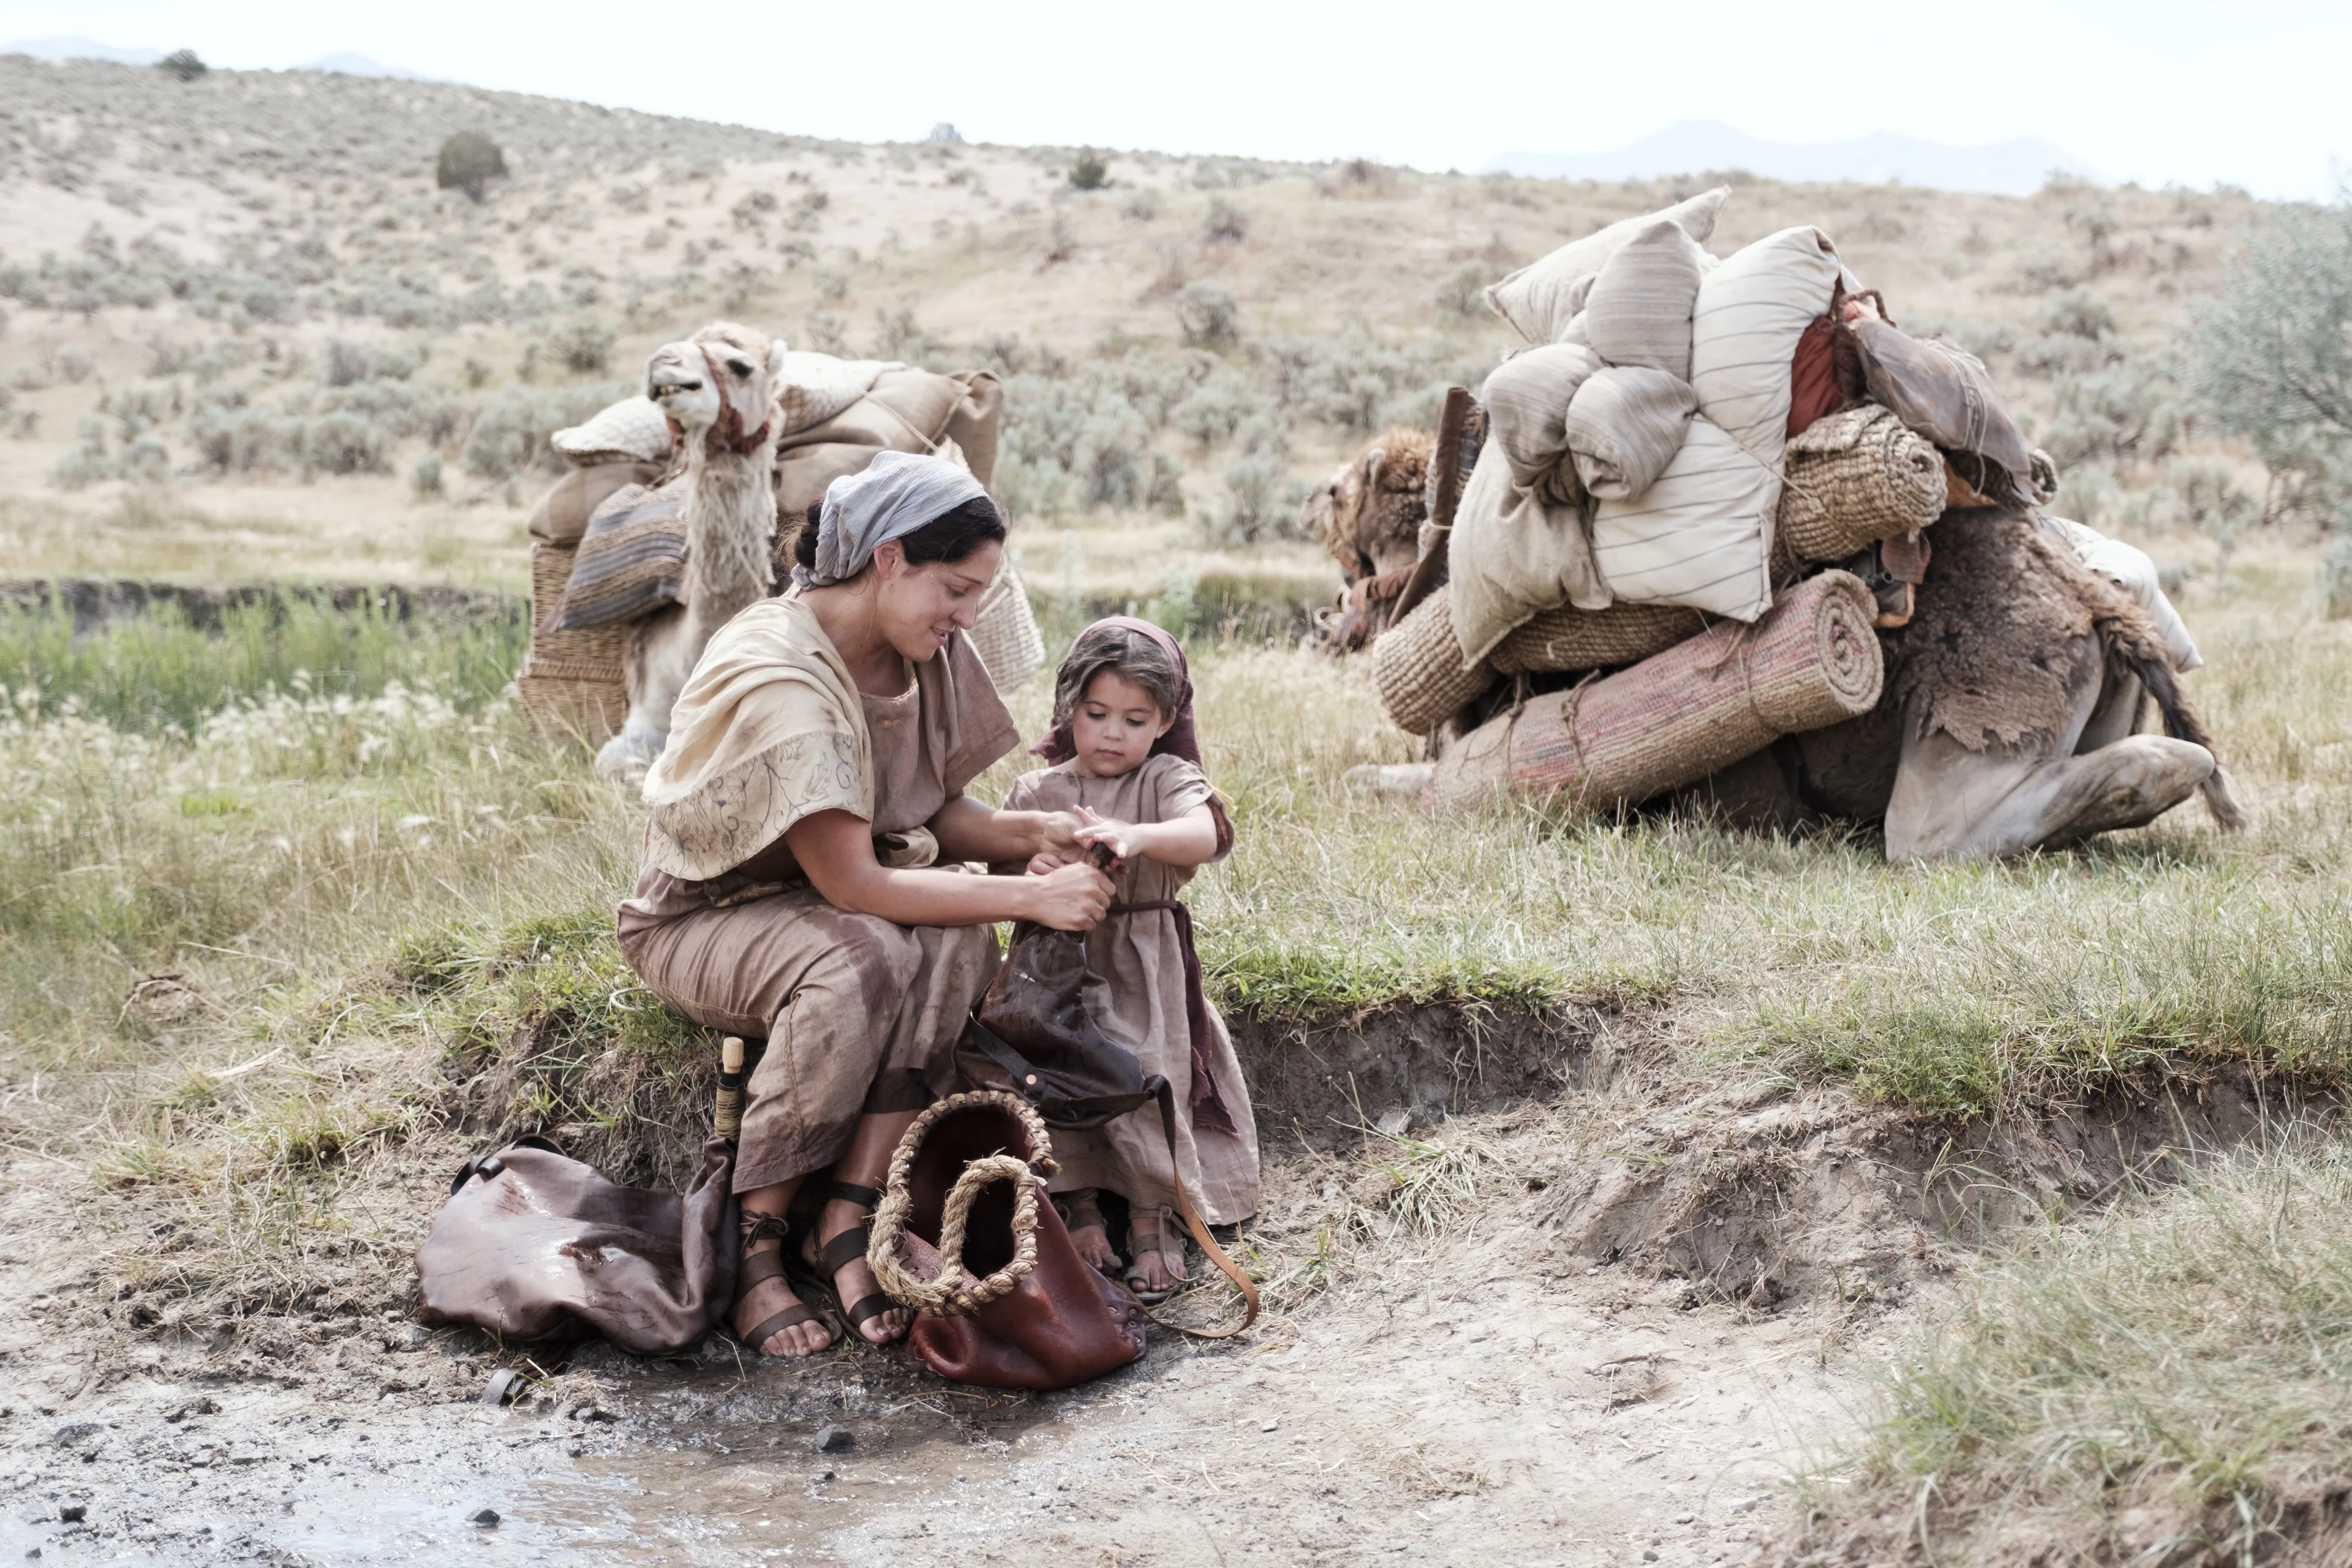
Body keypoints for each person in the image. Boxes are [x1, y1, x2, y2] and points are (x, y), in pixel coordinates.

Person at [616, 451, 1114, 1358]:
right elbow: (856, 885)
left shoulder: (921, 650)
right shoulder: (782, 676)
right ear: (888, 559)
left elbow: (934, 808)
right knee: (865, 958)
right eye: (956, 590)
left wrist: (1036, 840)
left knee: (958, 941)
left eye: (977, 596)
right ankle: (757, 1242)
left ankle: (849, 1214)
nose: (967, 617)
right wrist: (1035, 895)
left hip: (830, 905)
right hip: (704, 920)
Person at [1000, 618, 1261, 1303]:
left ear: (1166, 719)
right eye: (1096, 714)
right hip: (1053, 968)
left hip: (1145, 964)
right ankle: (1080, 1202)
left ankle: (1151, 1212)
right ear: (1068, 708)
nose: (1113, 733)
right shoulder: (1037, 793)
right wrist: (1030, 868)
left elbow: (1204, 832)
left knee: (1146, 1072)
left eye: (1135, 718)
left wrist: (1136, 836)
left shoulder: (1167, 778)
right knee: (1055, 1078)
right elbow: (992, 863)